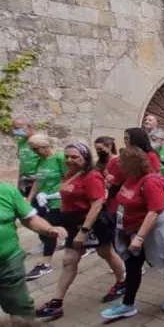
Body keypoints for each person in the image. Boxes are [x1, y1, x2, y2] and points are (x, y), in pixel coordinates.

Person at [35, 143, 126, 319]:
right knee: (69, 261)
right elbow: (67, 194)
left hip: (90, 223)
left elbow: (97, 205)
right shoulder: (70, 174)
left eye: (74, 157)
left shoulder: (92, 177)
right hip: (71, 222)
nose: (69, 160)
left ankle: (122, 282)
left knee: (106, 253)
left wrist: (83, 231)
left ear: (85, 158)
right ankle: (56, 303)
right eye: (67, 156)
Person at [100, 147, 164, 319]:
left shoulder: (149, 181)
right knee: (133, 267)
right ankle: (128, 304)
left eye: (121, 163)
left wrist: (139, 238)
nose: (119, 165)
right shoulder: (131, 178)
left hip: (153, 232)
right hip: (132, 231)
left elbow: (155, 210)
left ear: (131, 164)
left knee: (163, 263)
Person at [0, 183, 67, 319]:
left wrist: (49, 229)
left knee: (19, 304)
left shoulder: (6, 191)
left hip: (9, 261)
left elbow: (29, 218)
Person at [25, 134, 67, 280]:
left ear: (45, 146)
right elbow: (38, 180)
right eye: (32, 149)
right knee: (42, 227)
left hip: (58, 200)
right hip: (43, 200)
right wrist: (29, 199)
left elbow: (70, 178)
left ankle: (45, 263)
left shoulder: (60, 158)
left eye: (36, 149)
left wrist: (56, 193)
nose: (34, 152)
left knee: (51, 229)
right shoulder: (41, 160)